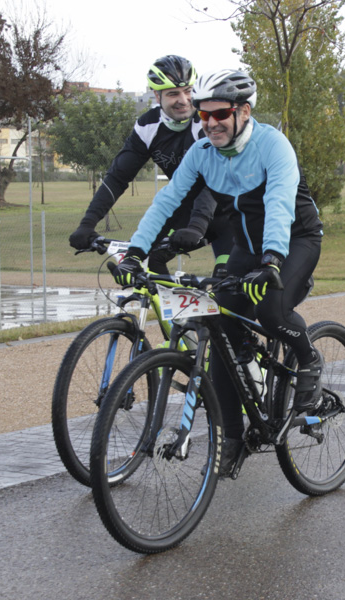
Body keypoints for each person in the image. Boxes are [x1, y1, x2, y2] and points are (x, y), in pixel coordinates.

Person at [113, 69, 325, 476]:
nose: (210, 124)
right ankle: (232, 439)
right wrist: (136, 253)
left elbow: (279, 204)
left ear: (243, 111)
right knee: (220, 326)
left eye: (221, 114)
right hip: (247, 246)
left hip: (294, 239)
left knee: (272, 312)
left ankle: (307, 357)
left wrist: (272, 262)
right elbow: (165, 201)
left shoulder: (272, 146)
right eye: (203, 115)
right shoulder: (203, 153)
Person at [67, 55, 230, 273]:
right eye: (173, 93)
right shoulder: (148, 127)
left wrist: (197, 226)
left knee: (228, 285)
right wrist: (87, 224)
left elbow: (213, 182)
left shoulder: (206, 122)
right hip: (188, 208)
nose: (183, 100)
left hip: (230, 210)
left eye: (188, 91)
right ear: (157, 95)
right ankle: (169, 307)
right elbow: (117, 178)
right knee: (149, 261)